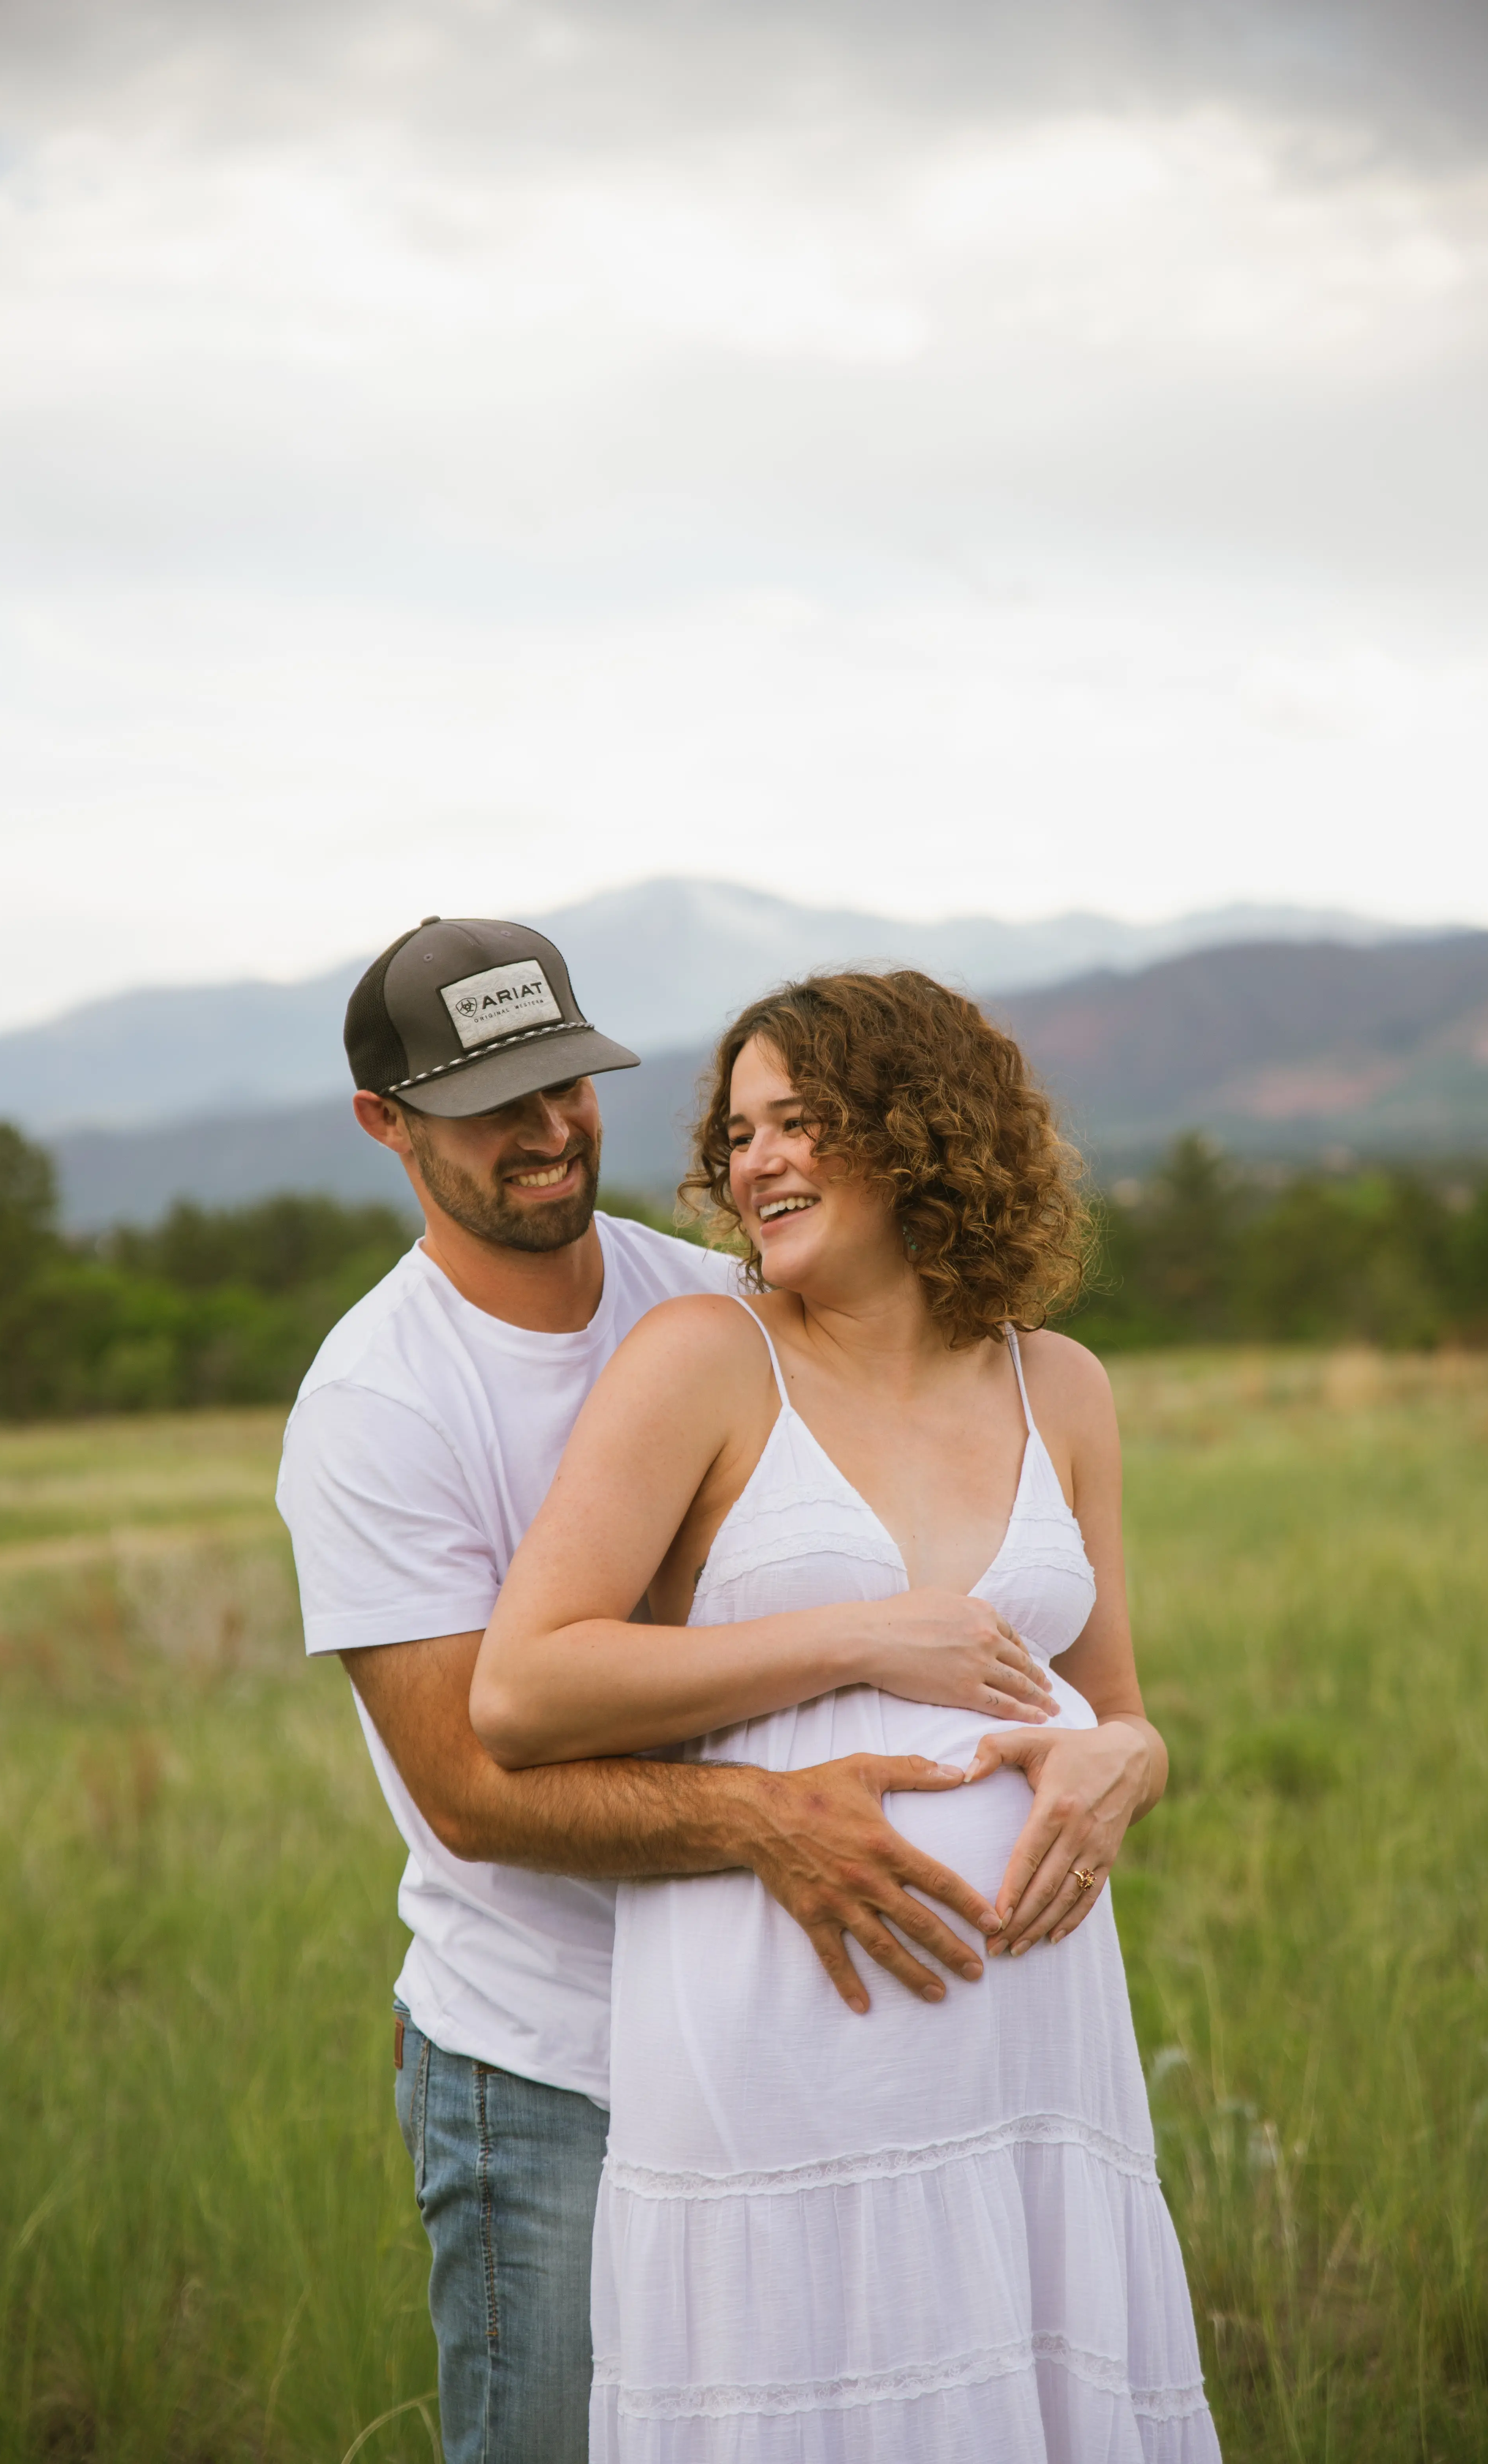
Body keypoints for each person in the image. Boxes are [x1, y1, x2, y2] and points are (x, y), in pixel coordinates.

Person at [277, 919, 1060, 2464]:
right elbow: (469, 1792)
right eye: (489, 1104)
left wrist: (1108, 1741)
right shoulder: (378, 1405)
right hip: (549, 2062)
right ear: (385, 1122)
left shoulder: (714, 1302)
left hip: (772, 2026)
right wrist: (770, 1821)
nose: (547, 1129)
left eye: (563, 1083)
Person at [473, 969, 1220, 2461]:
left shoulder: (1062, 1386)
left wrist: (1122, 1770)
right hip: (787, 2044)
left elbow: (1124, 1714)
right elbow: (524, 1688)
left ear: (920, 1131)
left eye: (798, 1121)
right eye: (738, 1133)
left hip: (1034, 2057)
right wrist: (860, 1635)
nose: (754, 1162)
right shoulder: (705, 1359)